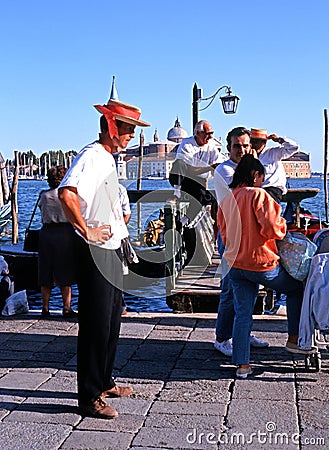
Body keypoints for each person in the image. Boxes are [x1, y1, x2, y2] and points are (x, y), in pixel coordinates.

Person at [59, 98, 150, 419]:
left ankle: (104, 380)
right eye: (127, 130)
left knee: (111, 320)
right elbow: (66, 193)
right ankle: (89, 396)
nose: (130, 136)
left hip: (112, 250)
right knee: (96, 324)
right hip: (95, 251)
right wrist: (87, 231)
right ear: (112, 128)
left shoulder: (107, 159)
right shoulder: (92, 157)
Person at [217, 154, 314, 379]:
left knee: (243, 313)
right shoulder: (258, 195)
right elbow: (272, 228)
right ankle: (293, 339)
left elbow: (222, 233)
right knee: (295, 289)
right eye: (262, 176)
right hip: (260, 262)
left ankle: (243, 365)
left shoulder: (227, 199)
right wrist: (282, 228)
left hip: (235, 264)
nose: (263, 181)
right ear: (255, 175)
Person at [213, 127, 269, 356]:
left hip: (246, 237)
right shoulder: (225, 170)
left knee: (249, 288)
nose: (242, 150)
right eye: (237, 146)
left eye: (246, 146)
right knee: (229, 289)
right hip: (230, 236)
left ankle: (242, 332)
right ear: (229, 148)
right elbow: (249, 191)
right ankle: (222, 338)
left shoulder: (248, 170)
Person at [38, 166, 77, 318]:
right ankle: (66, 307)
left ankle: (45, 308)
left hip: (46, 233)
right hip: (65, 233)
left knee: (45, 272)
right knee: (65, 272)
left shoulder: (43, 195)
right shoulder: (68, 195)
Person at [169, 120, 223, 223]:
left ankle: (184, 221)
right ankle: (176, 193)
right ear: (198, 133)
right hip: (182, 178)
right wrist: (210, 167)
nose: (211, 137)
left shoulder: (211, 145)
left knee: (203, 197)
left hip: (198, 180)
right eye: (208, 134)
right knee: (179, 163)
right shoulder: (186, 144)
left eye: (212, 133)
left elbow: (218, 164)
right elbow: (189, 171)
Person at [250, 128, 299, 203]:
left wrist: (279, 140)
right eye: (251, 141)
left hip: (272, 190)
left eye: (255, 141)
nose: (253, 144)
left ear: (264, 143)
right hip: (256, 191)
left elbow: (294, 147)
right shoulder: (249, 156)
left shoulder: (274, 152)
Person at [118, 183, 131, 316]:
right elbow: (126, 215)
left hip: (97, 236)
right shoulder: (120, 189)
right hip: (118, 235)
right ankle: (120, 306)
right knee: (118, 272)